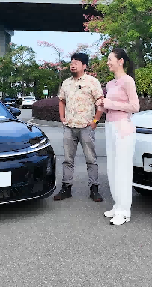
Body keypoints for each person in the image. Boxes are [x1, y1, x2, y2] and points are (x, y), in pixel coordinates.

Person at [54, 52, 105, 202]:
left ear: (84, 66)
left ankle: (94, 189)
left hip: (86, 127)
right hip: (69, 127)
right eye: (71, 62)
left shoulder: (92, 82)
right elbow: (61, 100)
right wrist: (62, 117)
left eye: (76, 62)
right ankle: (66, 188)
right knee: (67, 160)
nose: (72, 65)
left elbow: (100, 102)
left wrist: (95, 121)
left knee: (91, 159)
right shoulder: (66, 83)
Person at [96, 48, 139, 225]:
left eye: (110, 59)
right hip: (110, 125)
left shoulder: (128, 81)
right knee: (112, 168)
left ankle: (124, 211)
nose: (107, 62)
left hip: (123, 127)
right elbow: (111, 107)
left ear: (120, 61)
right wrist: (103, 106)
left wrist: (110, 103)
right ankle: (117, 205)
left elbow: (135, 107)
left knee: (123, 169)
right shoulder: (110, 84)